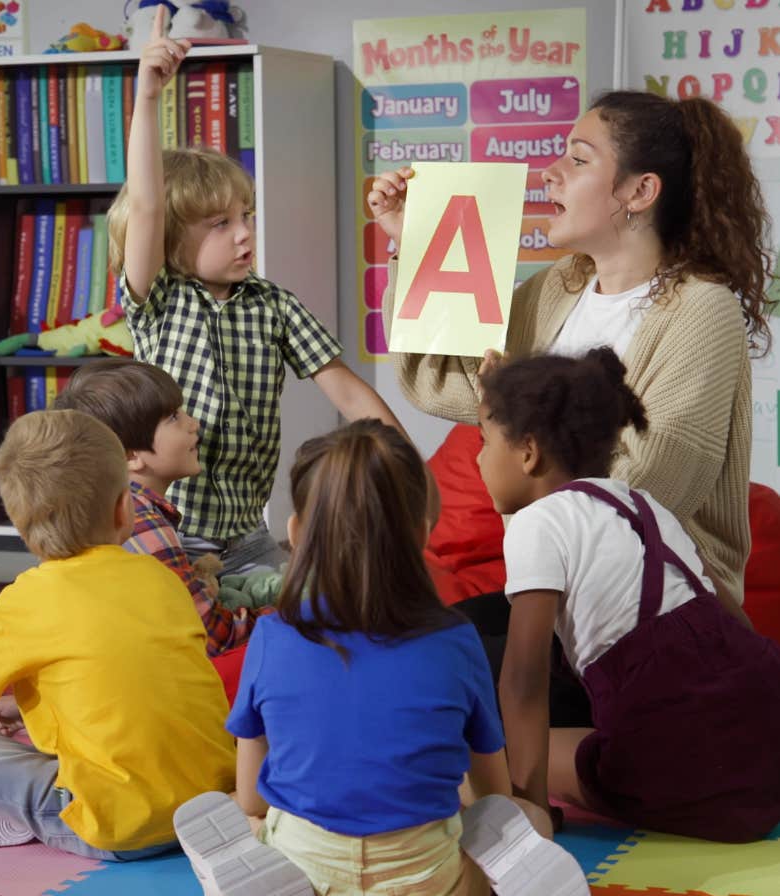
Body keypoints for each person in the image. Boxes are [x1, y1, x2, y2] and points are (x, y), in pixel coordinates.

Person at [172, 420, 593, 896]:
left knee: (248, 818)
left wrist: (256, 818)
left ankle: (245, 872)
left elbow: (254, 794)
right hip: (429, 887)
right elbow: (493, 795)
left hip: (307, 874)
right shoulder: (456, 639)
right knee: (527, 819)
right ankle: (496, 878)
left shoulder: (273, 636)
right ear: (421, 534)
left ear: (297, 532)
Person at [369, 89, 773, 607]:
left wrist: (512, 421)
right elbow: (441, 382)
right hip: (555, 589)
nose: (549, 171)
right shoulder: (562, 285)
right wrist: (414, 240)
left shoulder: (702, 310)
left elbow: (644, 491)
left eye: (578, 159)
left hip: (653, 603)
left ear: (640, 191)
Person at [108, 5, 410, 575]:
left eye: (245, 215)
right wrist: (147, 97)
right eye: (220, 224)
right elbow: (146, 205)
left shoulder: (274, 304)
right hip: (167, 531)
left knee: (264, 638)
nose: (246, 232)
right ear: (173, 240)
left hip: (249, 536)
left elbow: (349, 394)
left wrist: (407, 470)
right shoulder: (159, 300)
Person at [477, 348, 780, 843]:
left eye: (484, 442)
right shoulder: (645, 505)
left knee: (490, 750)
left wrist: (532, 811)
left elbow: (521, 682)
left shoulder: (537, 523)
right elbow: (736, 626)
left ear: (528, 451)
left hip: (682, 764)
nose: (479, 459)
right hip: (766, 734)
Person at [0, 409, 236, 859]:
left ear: (19, 524)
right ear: (123, 508)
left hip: (119, 827)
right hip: (215, 802)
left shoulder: (26, 600)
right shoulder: (162, 578)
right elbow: (143, 676)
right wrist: (27, 706)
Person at [53, 359, 265, 668]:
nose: (193, 423)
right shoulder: (143, 522)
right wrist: (280, 617)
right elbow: (210, 634)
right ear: (131, 455)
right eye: (174, 417)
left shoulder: (107, 508)